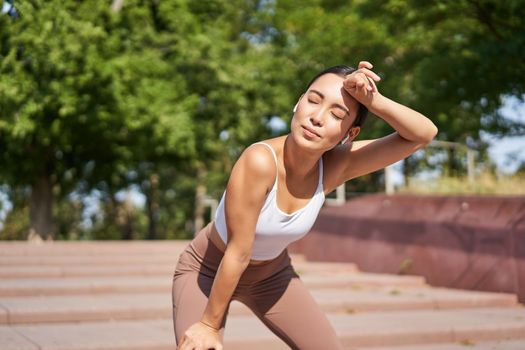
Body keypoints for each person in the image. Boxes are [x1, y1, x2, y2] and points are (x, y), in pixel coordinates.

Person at [172, 61, 438, 350]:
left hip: (271, 276)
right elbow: (239, 251)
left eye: (337, 114)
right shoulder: (259, 160)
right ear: (298, 103)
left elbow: (422, 134)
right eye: (313, 101)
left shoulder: (336, 166)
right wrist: (209, 326)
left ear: (350, 134)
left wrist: (373, 99)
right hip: (208, 270)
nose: (317, 117)